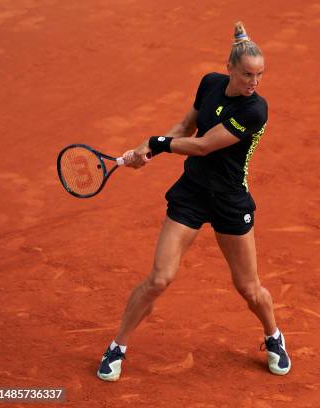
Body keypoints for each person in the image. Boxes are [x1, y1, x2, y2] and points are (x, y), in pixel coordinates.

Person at [96, 21, 291, 381]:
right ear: (230, 68)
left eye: (260, 75)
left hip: (230, 200)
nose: (254, 83)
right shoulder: (210, 84)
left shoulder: (255, 110)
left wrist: (155, 143)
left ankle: (273, 336)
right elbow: (186, 128)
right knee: (159, 279)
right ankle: (117, 346)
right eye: (248, 74)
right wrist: (146, 151)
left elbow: (202, 145)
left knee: (248, 287)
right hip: (193, 192)